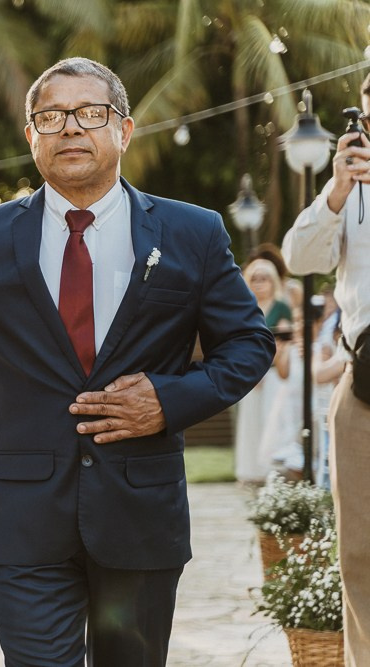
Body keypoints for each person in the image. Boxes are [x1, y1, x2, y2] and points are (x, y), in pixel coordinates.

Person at [0, 57, 274, 666]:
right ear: (30, 137)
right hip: (25, 526)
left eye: (90, 113)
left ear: (123, 130)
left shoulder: (191, 233)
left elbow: (250, 345)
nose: (69, 128)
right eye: (50, 116)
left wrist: (167, 401)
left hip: (142, 519)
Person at [282, 72, 370, 666]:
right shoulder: (351, 184)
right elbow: (300, 258)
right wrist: (336, 191)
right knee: (361, 549)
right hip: (365, 385)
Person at [234, 258, 292, 483]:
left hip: (273, 374)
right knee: (250, 422)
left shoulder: (281, 307)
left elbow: (283, 342)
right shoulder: (245, 307)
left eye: (264, 278)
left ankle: (270, 470)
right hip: (249, 375)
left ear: (273, 281)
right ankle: (250, 469)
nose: (259, 283)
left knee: (271, 422)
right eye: (254, 278)